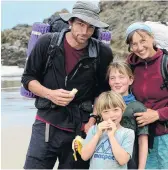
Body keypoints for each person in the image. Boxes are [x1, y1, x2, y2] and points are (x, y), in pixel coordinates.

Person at [21, 1, 113, 169]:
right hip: (46, 124)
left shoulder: (103, 53)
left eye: (90, 27)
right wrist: (50, 94)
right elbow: (28, 79)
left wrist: (93, 119)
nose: (85, 32)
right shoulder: (47, 43)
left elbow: (102, 92)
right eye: (80, 24)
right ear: (70, 22)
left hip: (82, 127)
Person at [125, 22, 168, 169]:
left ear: (152, 38)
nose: (139, 47)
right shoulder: (130, 66)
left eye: (143, 40)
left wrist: (157, 114)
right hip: (141, 137)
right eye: (134, 44)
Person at [107, 61, 148, 169]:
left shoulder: (137, 107)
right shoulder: (104, 104)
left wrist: (141, 168)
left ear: (130, 80)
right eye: (112, 78)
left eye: (121, 77)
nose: (117, 82)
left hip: (129, 162)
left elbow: (142, 140)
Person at [81, 91, 135, 169]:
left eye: (116, 110)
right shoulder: (94, 130)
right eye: (106, 111)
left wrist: (111, 136)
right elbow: (84, 156)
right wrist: (97, 134)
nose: (111, 115)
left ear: (122, 110)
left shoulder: (128, 133)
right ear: (101, 114)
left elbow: (123, 160)